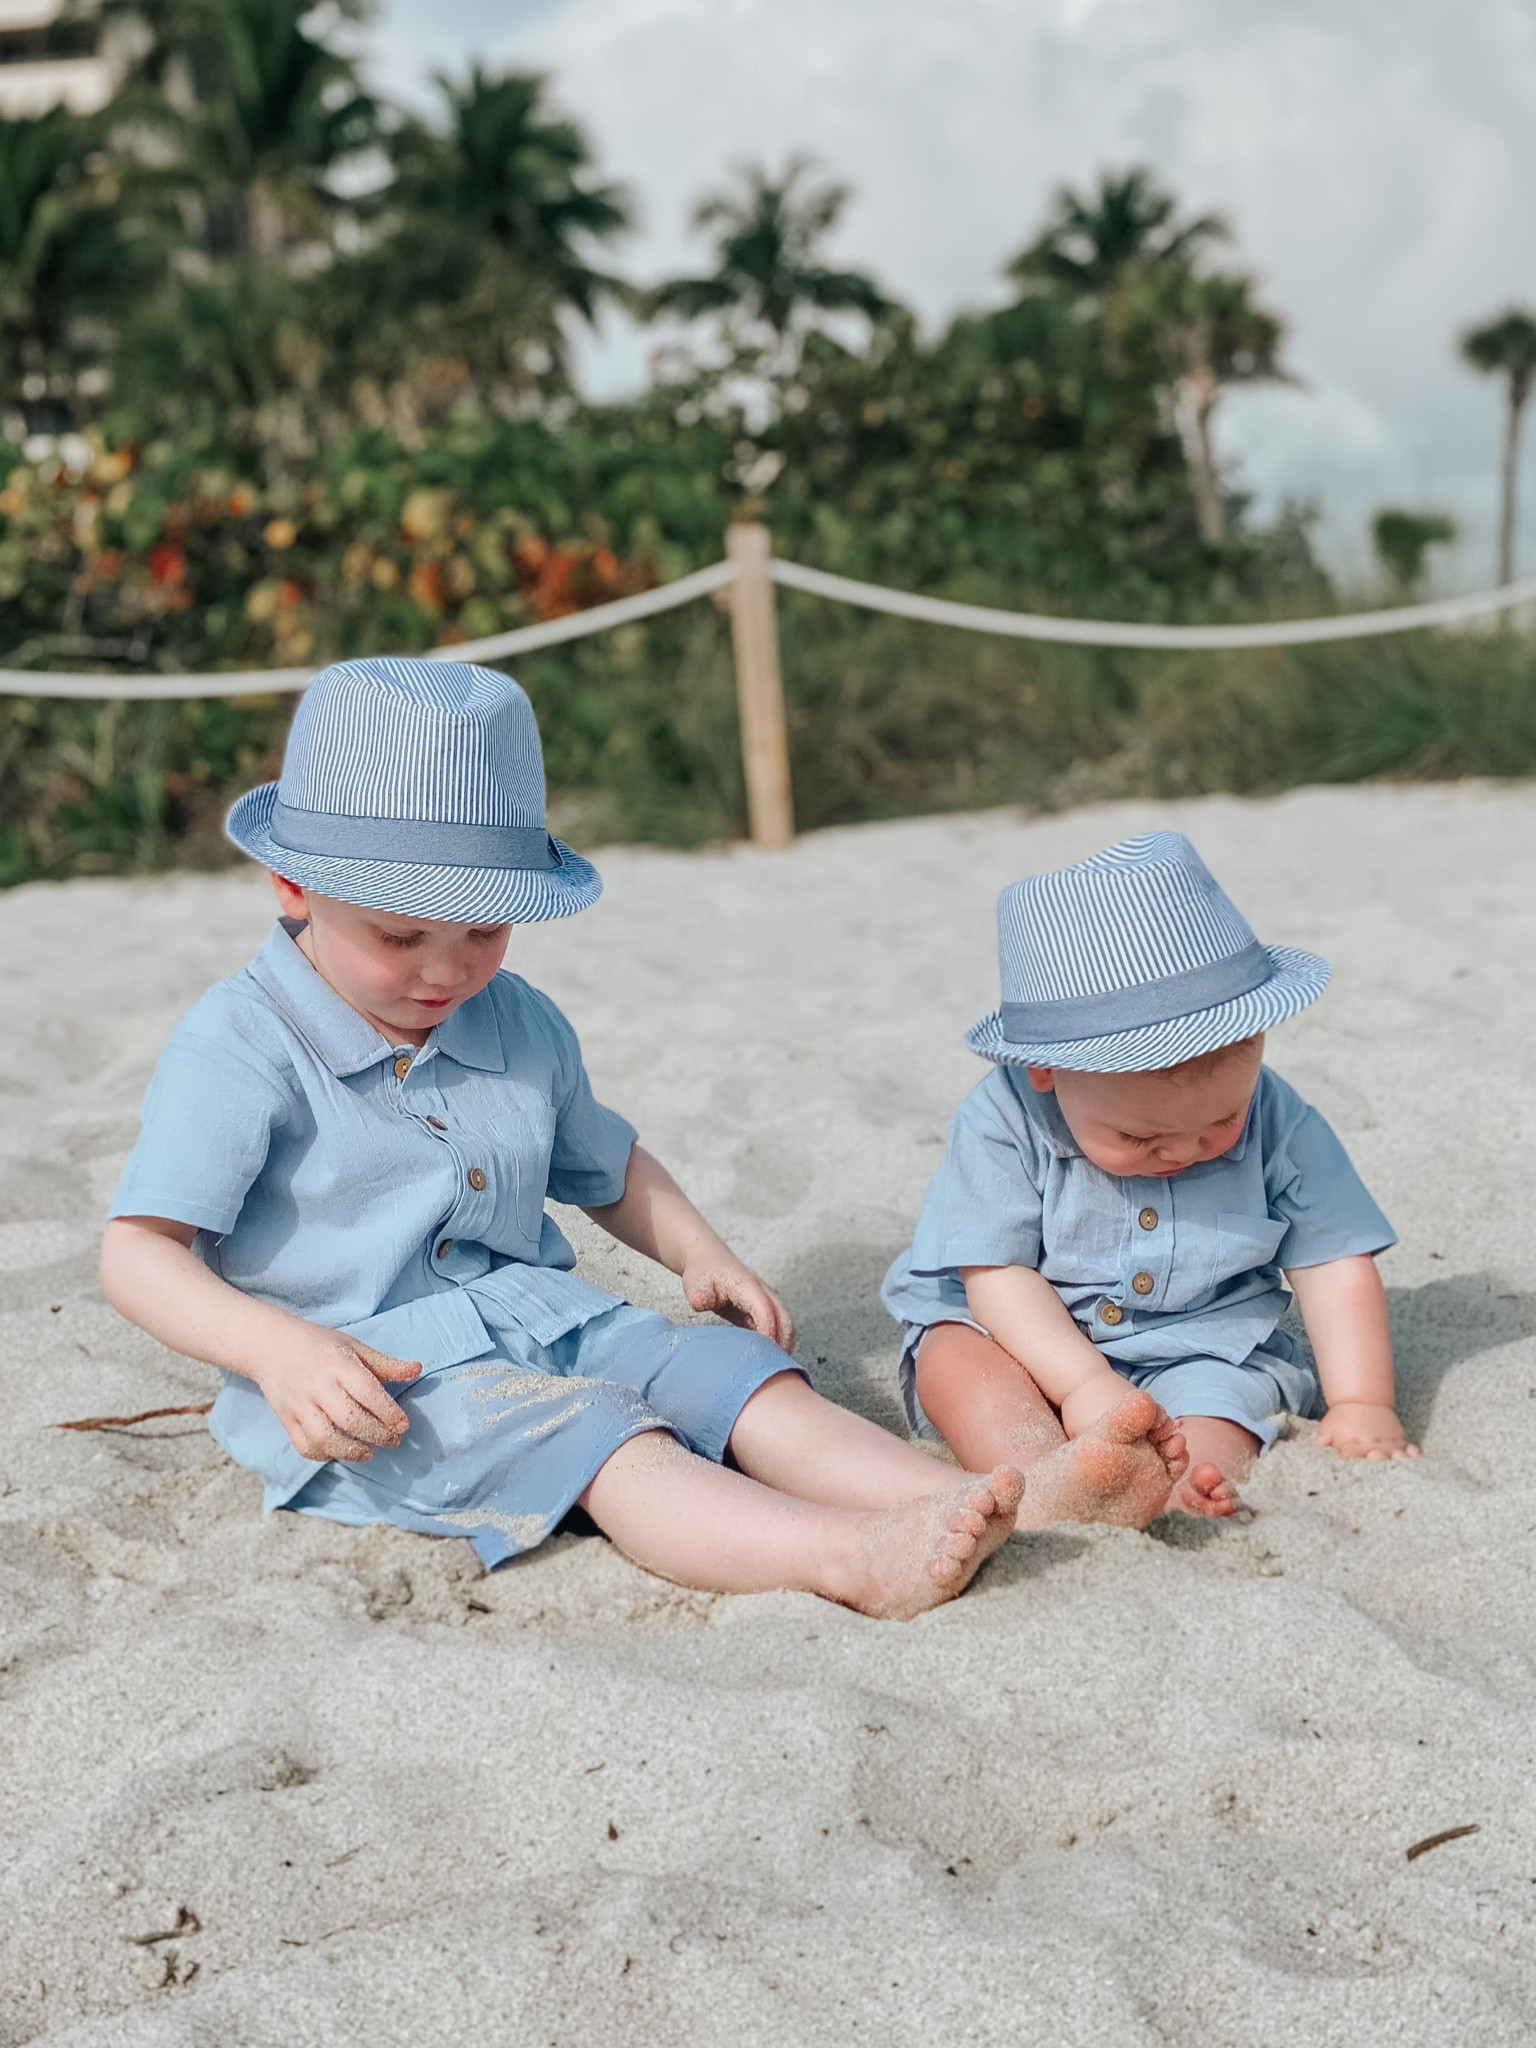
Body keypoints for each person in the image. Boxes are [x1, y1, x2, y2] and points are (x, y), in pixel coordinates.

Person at [98, 659, 1177, 1618]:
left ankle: (993, 1497)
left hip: (544, 1311)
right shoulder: (242, 1041)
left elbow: (606, 1165)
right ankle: (845, 1553)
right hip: (376, 1379)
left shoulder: (514, 1018)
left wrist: (702, 1255)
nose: (445, 970)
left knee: (736, 1373)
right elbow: (137, 1250)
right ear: (294, 885)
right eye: (398, 935)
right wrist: (279, 1349)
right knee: (607, 1437)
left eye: (482, 928)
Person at [882, 830, 1418, 1519]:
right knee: (954, 1359)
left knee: (1225, 1408)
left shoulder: (1277, 1116)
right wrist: (1080, 1384)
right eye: (1140, 1136)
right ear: (1043, 1070)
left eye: (1220, 1123)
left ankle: (1176, 1487)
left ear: (1256, 1042)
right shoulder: (1003, 1119)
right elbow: (996, 1274)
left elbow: (1335, 1262)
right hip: (1023, 1339)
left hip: (1199, 1344)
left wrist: (1361, 1401)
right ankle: (1044, 1471)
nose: (1186, 1150)